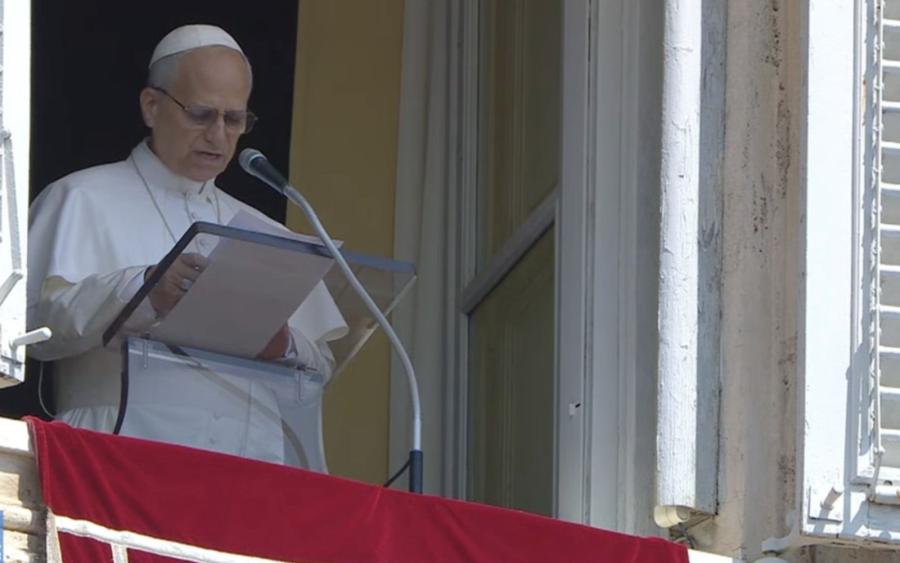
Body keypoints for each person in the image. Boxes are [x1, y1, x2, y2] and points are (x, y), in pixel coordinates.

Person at [26, 25, 346, 465]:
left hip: (250, 469)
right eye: (201, 114)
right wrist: (142, 290)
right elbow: (30, 329)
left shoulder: (265, 230)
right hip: (118, 455)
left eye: (235, 119)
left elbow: (321, 367)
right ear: (152, 106)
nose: (219, 135)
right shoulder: (80, 197)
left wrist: (284, 346)